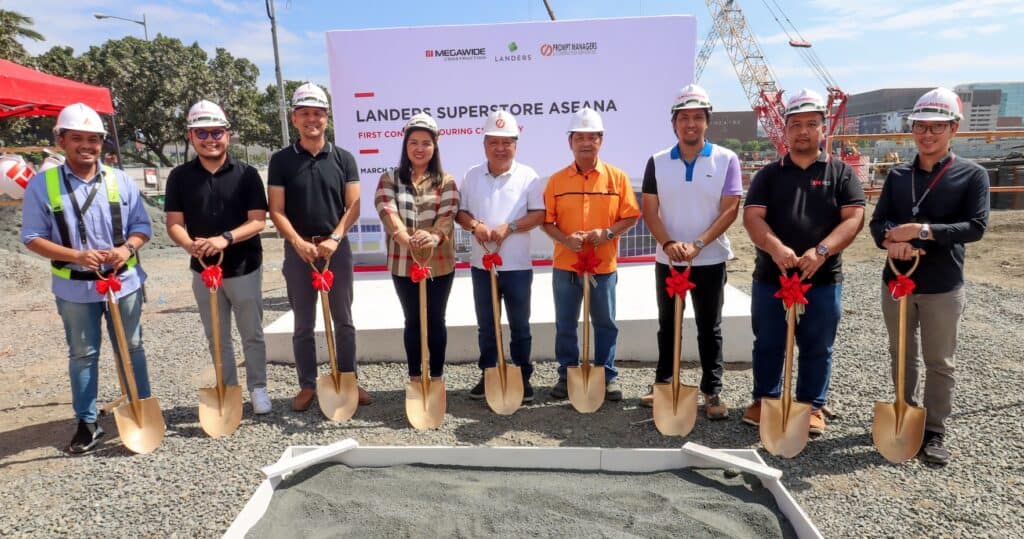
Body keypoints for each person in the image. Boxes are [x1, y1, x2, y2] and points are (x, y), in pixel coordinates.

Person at [20, 103, 154, 453]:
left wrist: (126, 250)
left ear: (102, 143)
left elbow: (142, 226)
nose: (86, 146)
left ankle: (141, 406)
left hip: (123, 282)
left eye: (93, 139)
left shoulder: (119, 180)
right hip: (74, 287)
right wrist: (77, 255)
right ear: (61, 140)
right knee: (83, 353)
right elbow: (32, 237)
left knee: (132, 346)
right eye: (77, 138)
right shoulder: (42, 185)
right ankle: (87, 421)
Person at [869, 87, 989, 465]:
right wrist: (891, 241)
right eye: (921, 126)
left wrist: (921, 232)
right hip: (897, 280)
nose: (927, 134)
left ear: (953, 128)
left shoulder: (972, 175)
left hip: (942, 285)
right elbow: (878, 223)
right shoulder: (898, 175)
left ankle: (935, 429)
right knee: (900, 353)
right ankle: (905, 414)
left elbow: (975, 227)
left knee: (940, 360)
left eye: (937, 127)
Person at [741, 89, 865, 435]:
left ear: (823, 129)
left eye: (811, 124)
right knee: (768, 340)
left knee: (816, 343)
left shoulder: (840, 174)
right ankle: (765, 398)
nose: (803, 131)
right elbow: (752, 219)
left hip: (822, 279)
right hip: (772, 276)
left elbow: (853, 218)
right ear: (786, 130)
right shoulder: (768, 175)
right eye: (795, 125)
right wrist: (775, 247)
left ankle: (811, 405)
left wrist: (821, 251)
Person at [639, 84, 742, 419]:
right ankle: (664, 384)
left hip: (709, 259)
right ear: (674, 123)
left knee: (708, 326)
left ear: (707, 121)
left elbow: (729, 209)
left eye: (698, 117)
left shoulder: (727, 159)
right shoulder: (656, 162)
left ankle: (712, 391)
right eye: (684, 118)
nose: (691, 124)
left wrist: (697, 244)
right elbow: (650, 211)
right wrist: (669, 244)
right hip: (668, 259)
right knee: (668, 323)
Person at [165, 100, 271, 415]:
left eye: (216, 132)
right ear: (190, 136)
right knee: (217, 334)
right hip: (202, 270)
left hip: (244, 267)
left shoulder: (247, 174)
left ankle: (258, 388)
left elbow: (257, 220)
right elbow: (174, 224)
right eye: (202, 133)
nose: (210, 139)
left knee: (251, 331)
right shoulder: (180, 177)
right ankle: (229, 388)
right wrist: (191, 246)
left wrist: (223, 239)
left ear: (227, 134)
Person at [268, 83, 368, 412]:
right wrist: (297, 242)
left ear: (327, 118)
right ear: (294, 118)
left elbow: (353, 206)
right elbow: (276, 210)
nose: (312, 119)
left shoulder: (343, 158)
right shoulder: (281, 161)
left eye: (318, 113)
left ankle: (348, 378)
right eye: (305, 113)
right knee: (303, 322)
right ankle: (308, 385)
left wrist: (335, 238)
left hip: (335, 248)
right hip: (299, 252)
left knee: (344, 319)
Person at [542, 107, 640, 401]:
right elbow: (547, 220)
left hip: (603, 266)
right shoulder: (557, 181)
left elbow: (631, 215)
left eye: (592, 137)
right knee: (566, 322)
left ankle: (607, 375)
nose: (586, 143)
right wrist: (564, 239)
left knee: (605, 322)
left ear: (601, 141)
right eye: (580, 137)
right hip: (566, 264)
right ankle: (566, 373)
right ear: (570, 142)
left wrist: (607, 233)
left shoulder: (617, 178)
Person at [456, 110, 545, 403]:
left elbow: (539, 215)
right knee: (486, 323)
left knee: (520, 324)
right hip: (482, 265)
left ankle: (522, 374)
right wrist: (475, 226)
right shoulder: (471, 175)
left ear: (515, 145)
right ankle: (489, 372)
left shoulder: (528, 176)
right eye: (494, 142)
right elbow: (460, 212)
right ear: (484, 145)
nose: (500, 148)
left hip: (517, 265)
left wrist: (512, 226)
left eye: (507, 142)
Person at [375, 113, 458, 383]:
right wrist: (405, 238)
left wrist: (433, 237)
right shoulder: (389, 178)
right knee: (412, 320)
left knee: (436, 320)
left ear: (435, 146)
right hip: (403, 262)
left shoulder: (446, 180)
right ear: (405, 145)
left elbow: (447, 215)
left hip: (439, 264)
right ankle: (414, 377)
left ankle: (436, 377)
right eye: (414, 142)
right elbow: (387, 210)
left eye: (426, 143)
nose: (419, 149)